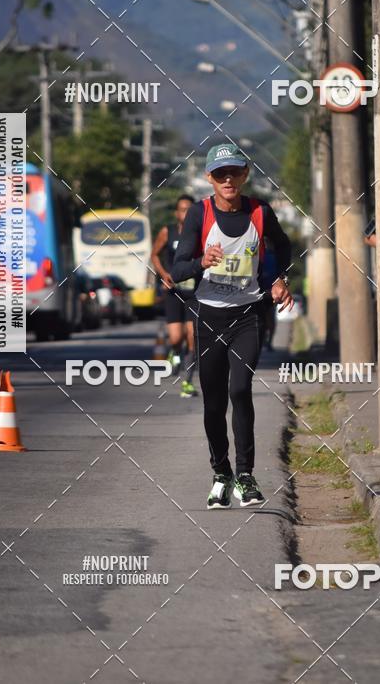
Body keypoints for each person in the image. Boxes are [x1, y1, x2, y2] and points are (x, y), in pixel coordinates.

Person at [172, 143, 293, 510]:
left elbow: (283, 247)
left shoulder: (260, 211)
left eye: (234, 172)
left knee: (240, 390)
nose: (228, 180)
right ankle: (221, 472)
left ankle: (245, 475)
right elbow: (177, 270)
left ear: (245, 175)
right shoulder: (199, 213)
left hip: (247, 316)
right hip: (208, 317)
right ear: (209, 178)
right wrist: (201, 262)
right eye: (220, 174)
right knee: (214, 402)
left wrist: (278, 279)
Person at [151, 194, 198, 398]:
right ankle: (175, 354)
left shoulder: (201, 233)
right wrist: (164, 275)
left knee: (193, 337)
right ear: (177, 213)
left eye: (190, 210)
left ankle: (188, 381)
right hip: (173, 291)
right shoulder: (167, 232)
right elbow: (154, 254)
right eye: (183, 210)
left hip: (194, 293)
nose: (186, 213)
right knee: (176, 338)